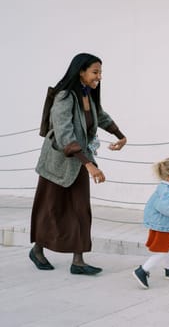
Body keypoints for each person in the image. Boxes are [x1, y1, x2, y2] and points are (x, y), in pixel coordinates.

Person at [30, 53, 127, 275]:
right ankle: (37, 250)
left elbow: (100, 116)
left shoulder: (88, 95)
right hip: (58, 164)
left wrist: (120, 135)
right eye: (95, 72)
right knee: (52, 209)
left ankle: (78, 261)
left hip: (80, 162)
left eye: (100, 72)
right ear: (81, 72)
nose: (99, 77)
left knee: (81, 210)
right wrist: (89, 164)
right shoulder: (64, 97)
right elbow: (64, 133)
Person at [133, 157, 169, 289]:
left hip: (163, 223)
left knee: (166, 247)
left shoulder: (165, 187)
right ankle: (142, 270)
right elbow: (162, 205)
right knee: (162, 251)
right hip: (161, 224)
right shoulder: (166, 190)